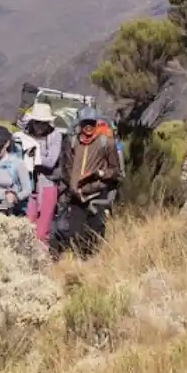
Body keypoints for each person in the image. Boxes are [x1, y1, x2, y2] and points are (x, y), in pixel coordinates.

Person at [56, 106, 122, 259]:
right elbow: (67, 168)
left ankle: (92, 263)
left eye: (91, 123)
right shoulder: (73, 142)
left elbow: (115, 171)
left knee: (95, 232)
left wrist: (101, 174)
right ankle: (80, 263)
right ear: (80, 124)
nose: (88, 126)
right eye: (85, 123)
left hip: (96, 196)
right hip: (76, 197)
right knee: (75, 232)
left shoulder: (106, 143)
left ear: (96, 123)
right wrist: (73, 186)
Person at [22, 103, 66, 243]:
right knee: (27, 225)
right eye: (37, 122)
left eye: (44, 123)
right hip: (28, 184)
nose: (40, 126)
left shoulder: (55, 136)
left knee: (43, 229)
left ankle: (42, 253)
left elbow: (51, 161)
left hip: (48, 183)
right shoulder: (25, 135)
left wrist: (33, 154)